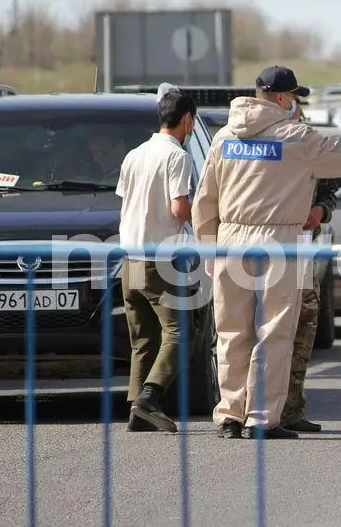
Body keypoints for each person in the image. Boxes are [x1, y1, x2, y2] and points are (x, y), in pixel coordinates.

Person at [193, 65, 341, 440]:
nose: (295, 104)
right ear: (281, 98)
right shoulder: (298, 138)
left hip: (229, 240)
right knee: (275, 331)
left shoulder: (223, 138)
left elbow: (205, 201)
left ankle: (230, 415)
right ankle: (261, 418)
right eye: (294, 97)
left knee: (231, 330)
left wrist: (208, 250)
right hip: (279, 242)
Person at [116, 88, 196, 433]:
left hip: (128, 258)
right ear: (188, 119)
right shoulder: (178, 157)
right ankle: (150, 398)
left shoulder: (134, 153)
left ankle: (138, 408)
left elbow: (125, 199)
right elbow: (179, 208)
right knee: (181, 333)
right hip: (160, 258)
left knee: (144, 339)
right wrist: (206, 216)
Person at [279, 98, 341, 433]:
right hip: (258, 252)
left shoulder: (312, 142)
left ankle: (291, 408)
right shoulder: (252, 142)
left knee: (303, 326)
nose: (295, 109)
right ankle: (251, 409)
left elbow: (331, 190)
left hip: (302, 250)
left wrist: (320, 212)